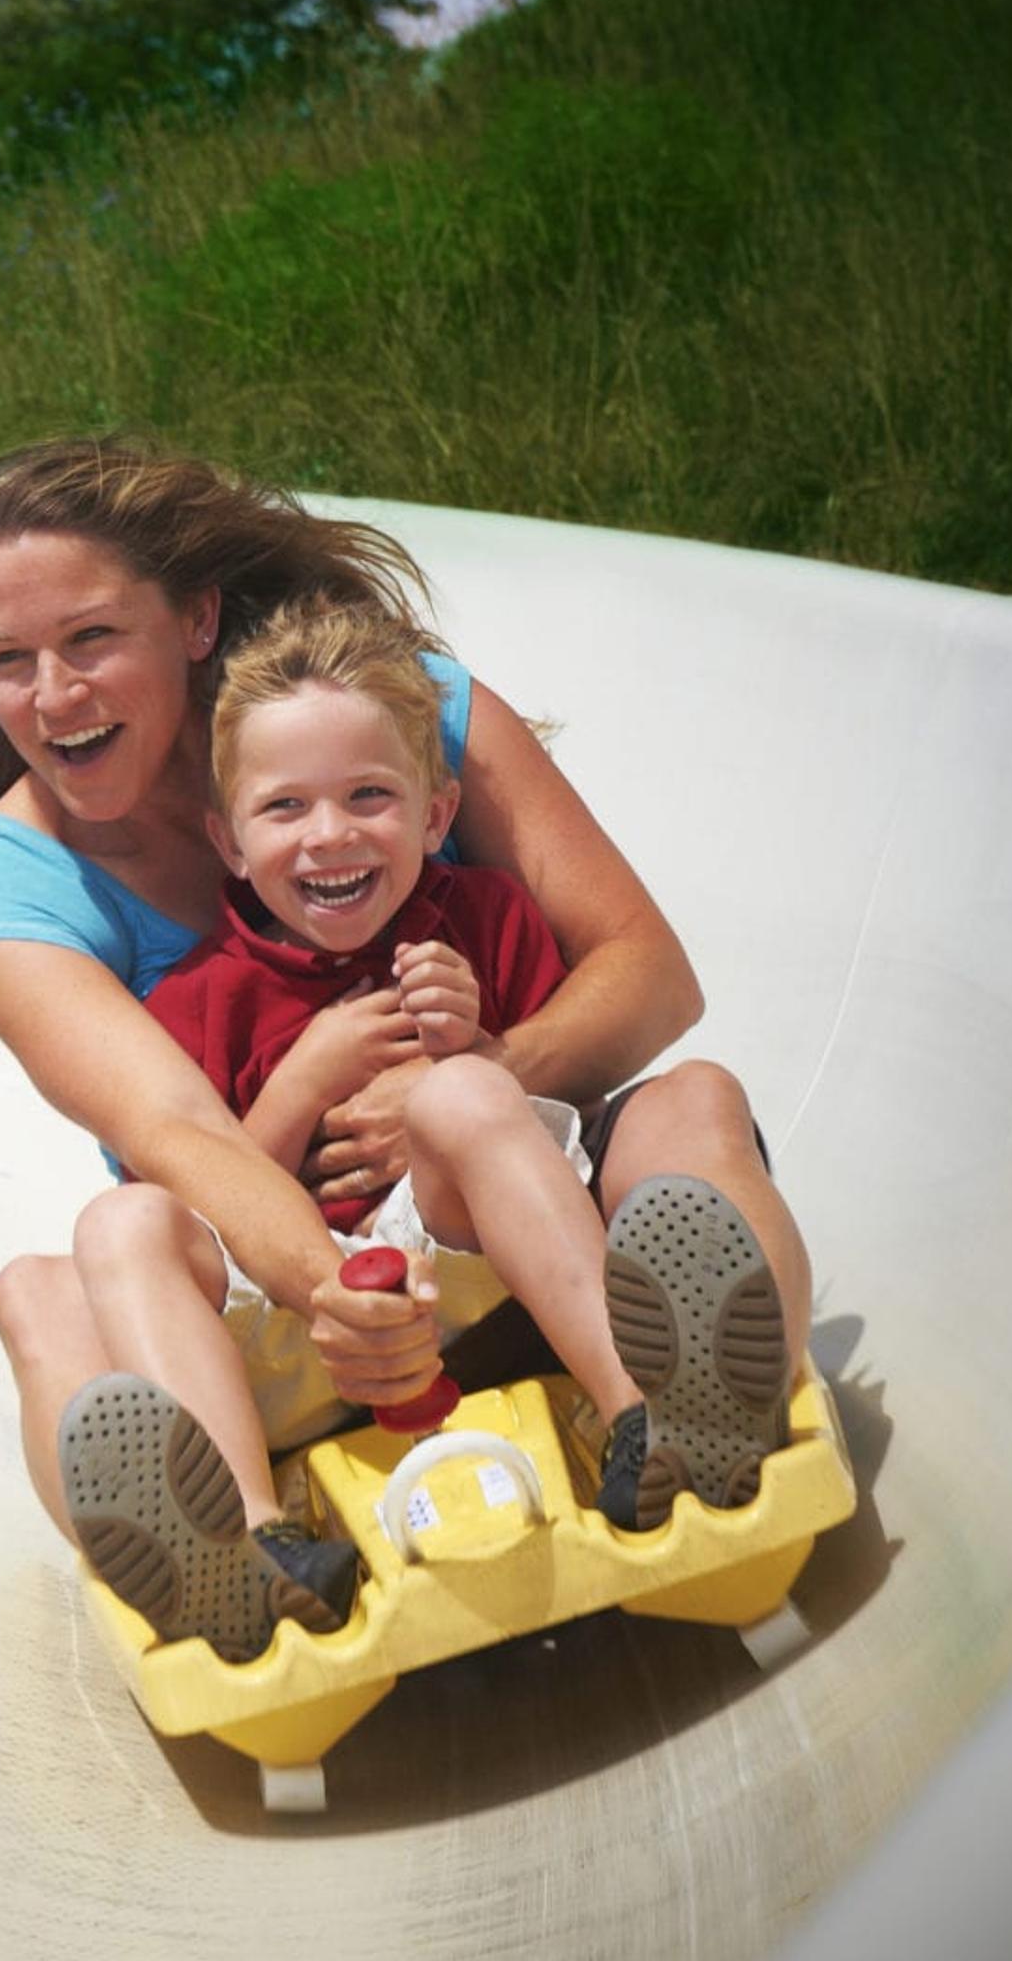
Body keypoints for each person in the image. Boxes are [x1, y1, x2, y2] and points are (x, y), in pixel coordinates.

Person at [0, 437, 810, 1663]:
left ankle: (702, 1403)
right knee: (46, 1293)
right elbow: (174, 1131)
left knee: (690, 1103)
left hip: (505, 1238)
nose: (53, 696)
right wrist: (329, 1286)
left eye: (90, 639)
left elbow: (651, 976)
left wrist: (466, 1083)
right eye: (6, 663)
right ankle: (219, 1557)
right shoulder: (14, 897)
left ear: (195, 620)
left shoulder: (387, 709)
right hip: (289, 1319)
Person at [135, 594, 789, 1565]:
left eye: (369, 797)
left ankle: (664, 1417)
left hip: (484, 1281)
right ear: (229, 842)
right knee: (109, 1232)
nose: (330, 836)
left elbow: (566, 1128)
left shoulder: (485, 922)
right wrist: (306, 1079)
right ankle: (243, 1555)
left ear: (438, 813)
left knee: (651, 1093)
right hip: (312, 1316)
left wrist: (477, 1046)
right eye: (284, 807)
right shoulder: (200, 1000)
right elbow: (212, 1206)